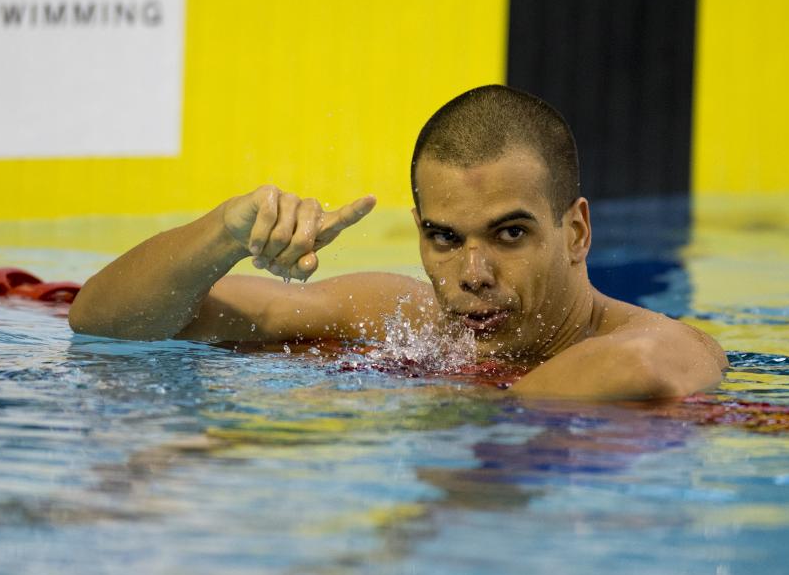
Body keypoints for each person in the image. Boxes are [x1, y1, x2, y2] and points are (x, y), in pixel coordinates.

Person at [69, 85, 727, 400]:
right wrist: (223, 233)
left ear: (575, 231)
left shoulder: (653, 342)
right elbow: (105, 322)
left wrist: (454, 403)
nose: (472, 272)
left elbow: (639, 370)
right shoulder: (403, 317)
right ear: (419, 232)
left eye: (509, 234)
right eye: (445, 238)